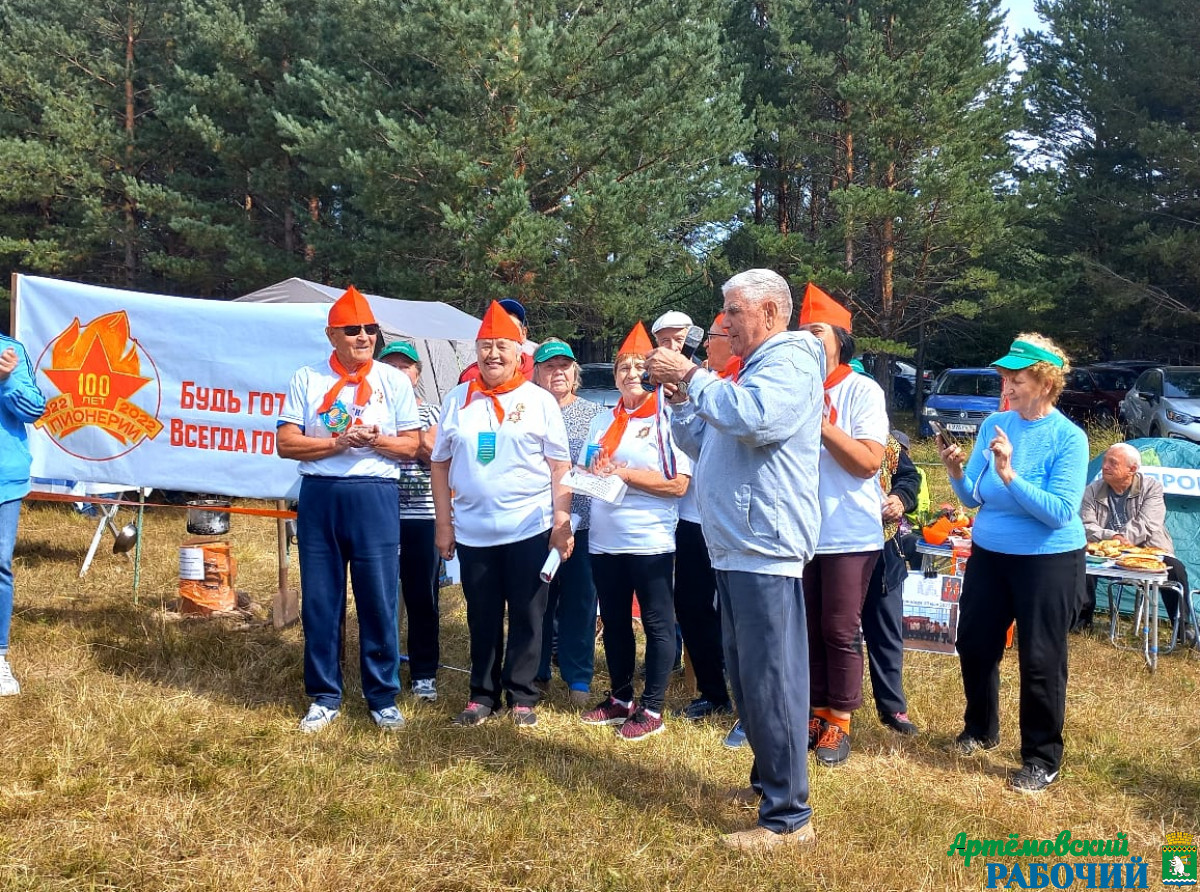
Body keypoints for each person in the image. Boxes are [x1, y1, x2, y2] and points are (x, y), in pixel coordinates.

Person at [646, 268, 825, 852]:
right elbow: (711, 441)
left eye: (732, 311)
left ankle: (787, 818)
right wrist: (679, 401)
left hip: (763, 546)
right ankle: (770, 782)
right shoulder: (751, 369)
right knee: (749, 680)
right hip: (739, 544)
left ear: (771, 313)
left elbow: (755, 420)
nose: (721, 322)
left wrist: (693, 377)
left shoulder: (791, 359)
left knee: (769, 681)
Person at [937, 333, 1087, 794]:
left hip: (1048, 560)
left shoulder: (1069, 437)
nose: (1007, 385)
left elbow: (1059, 511)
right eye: (1005, 377)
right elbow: (976, 498)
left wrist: (1011, 474)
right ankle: (981, 730)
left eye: (1015, 378)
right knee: (975, 643)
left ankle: (1042, 757)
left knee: (1040, 659)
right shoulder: (995, 425)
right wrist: (957, 471)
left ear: (1043, 382)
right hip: (990, 553)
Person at [277, 286, 422, 733]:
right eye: (352, 330)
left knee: (378, 597)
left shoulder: (393, 380)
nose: (364, 337)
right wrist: (336, 443)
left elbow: (413, 445)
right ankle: (324, 694)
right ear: (331, 335)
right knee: (322, 598)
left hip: (374, 496)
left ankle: (382, 695)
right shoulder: (308, 378)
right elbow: (286, 443)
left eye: (370, 329)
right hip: (321, 495)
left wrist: (374, 440)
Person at [432, 301, 573, 728]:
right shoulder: (458, 399)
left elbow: (560, 467)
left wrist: (561, 523)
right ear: (475, 351)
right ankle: (482, 694)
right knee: (483, 615)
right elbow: (440, 463)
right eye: (485, 346)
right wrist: (444, 524)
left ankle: (523, 694)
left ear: (519, 352)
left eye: (502, 347)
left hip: (529, 527)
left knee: (530, 615)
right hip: (474, 532)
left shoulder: (539, 400)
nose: (493, 355)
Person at [579, 322, 692, 741]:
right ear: (614, 377)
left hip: (649, 539)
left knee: (658, 624)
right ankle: (621, 697)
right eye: (623, 368)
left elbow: (679, 484)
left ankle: (654, 707)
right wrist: (584, 477)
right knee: (614, 619)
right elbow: (590, 467)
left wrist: (624, 474)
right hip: (605, 538)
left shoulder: (668, 418)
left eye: (638, 368)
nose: (630, 375)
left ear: (651, 373)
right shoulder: (601, 421)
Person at [798, 284, 887, 768]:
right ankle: (815, 710)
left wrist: (823, 424)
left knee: (839, 628)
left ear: (839, 340)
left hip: (848, 531)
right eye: (803, 333)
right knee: (808, 628)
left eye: (817, 332)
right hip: (800, 531)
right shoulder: (794, 388)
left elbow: (868, 462)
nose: (809, 341)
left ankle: (841, 721)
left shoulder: (861, 390)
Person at [657, 312, 732, 723]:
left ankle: (743, 688)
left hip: (730, 518)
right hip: (690, 518)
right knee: (691, 605)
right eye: (664, 341)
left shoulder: (721, 382)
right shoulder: (668, 388)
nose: (675, 348)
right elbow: (686, 445)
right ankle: (711, 691)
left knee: (735, 609)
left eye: (680, 340)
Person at [531, 338, 605, 706]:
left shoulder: (594, 414)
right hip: (535, 522)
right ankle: (536, 673)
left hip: (583, 523)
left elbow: (601, 467)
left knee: (579, 603)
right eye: (549, 366)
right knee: (537, 602)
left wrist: (579, 475)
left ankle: (578, 680)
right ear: (537, 372)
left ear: (574, 372)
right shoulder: (526, 409)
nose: (557, 372)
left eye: (563, 366)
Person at [378, 340, 442, 702]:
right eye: (391, 366)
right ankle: (384, 670)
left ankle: (423, 675)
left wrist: (396, 441)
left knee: (423, 598)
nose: (399, 372)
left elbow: (434, 451)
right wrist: (411, 442)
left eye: (406, 366)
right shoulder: (372, 410)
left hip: (423, 516)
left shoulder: (433, 412)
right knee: (381, 598)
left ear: (417, 374)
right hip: (382, 515)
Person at [1078, 443, 1191, 634]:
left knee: (1176, 569)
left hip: (1146, 550)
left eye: (1112, 463)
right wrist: (1111, 537)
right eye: (1105, 461)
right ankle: (1081, 621)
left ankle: (1183, 628)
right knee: (1079, 562)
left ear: (1132, 469)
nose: (1105, 466)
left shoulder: (1151, 488)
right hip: (1105, 551)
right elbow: (1086, 525)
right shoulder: (1092, 490)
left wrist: (1122, 539)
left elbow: (1148, 522)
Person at [862, 431, 921, 735]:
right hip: (831, 548)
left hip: (884, 548)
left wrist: (900, 498)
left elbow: (909, 478)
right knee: (831, 633)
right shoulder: (817, 430)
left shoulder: (887, 442)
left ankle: (892, 708)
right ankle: (824, 709)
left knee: (886, 630)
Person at [0, 334, 47, 696]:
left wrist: (7, 380)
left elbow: (34, 409)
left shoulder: (9, 350)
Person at [457, 298, 535, 384]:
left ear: (523, 333)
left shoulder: (539, 369)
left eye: (511, 328)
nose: (502, 332)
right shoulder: (471, 376)